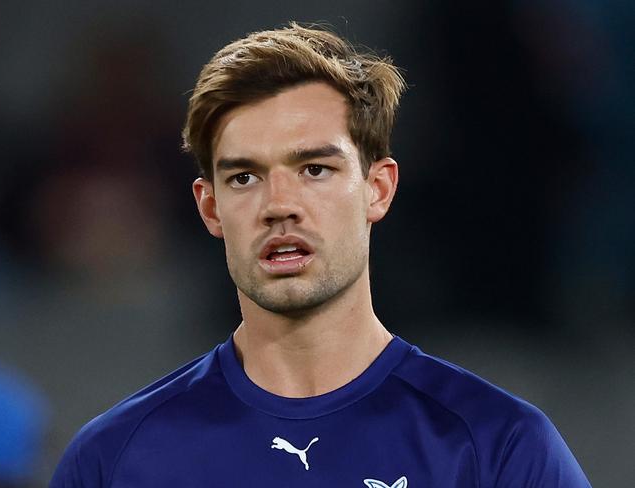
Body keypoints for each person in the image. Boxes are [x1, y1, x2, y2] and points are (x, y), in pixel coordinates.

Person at [50, 23, 591, 487]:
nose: (278, 206)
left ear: (377, 189)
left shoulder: (498, 447)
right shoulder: (114, 460)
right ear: (210, 208)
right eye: (244, 177)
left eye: (315, 169)